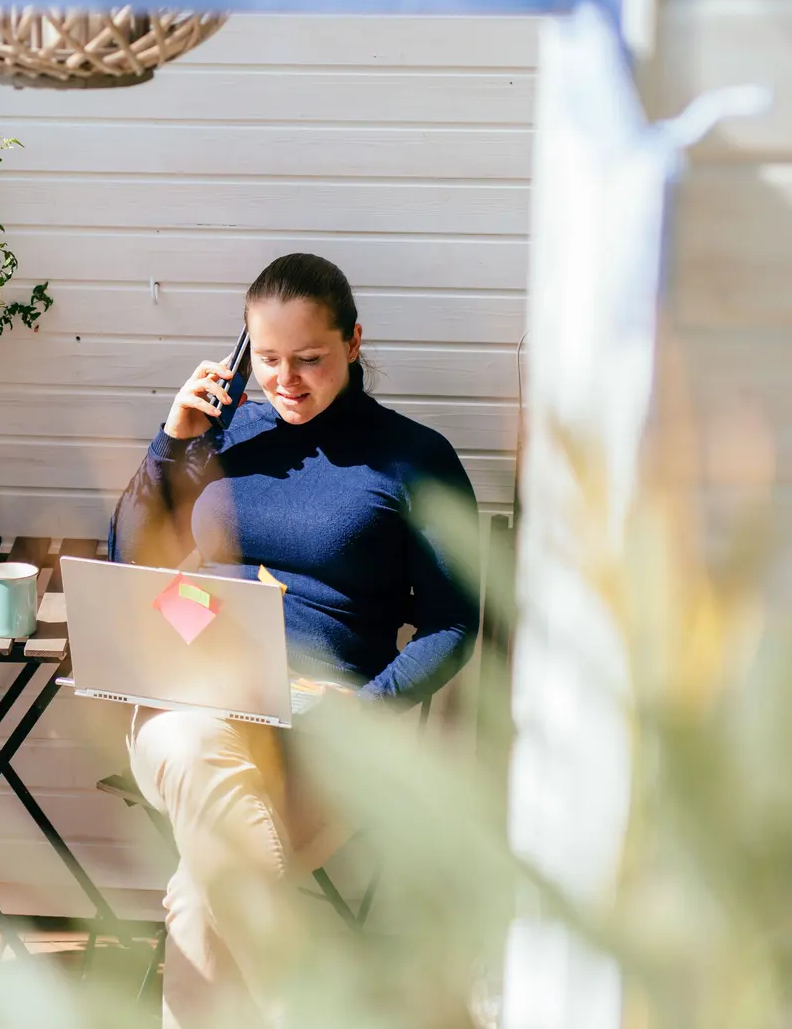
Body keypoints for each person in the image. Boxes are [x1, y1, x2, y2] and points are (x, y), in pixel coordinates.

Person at [111, 252, 480, 1027]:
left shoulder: (415, 460)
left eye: (309, 359)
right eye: (269, 360)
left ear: (353, 342)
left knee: (201, 896)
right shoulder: (225, 437)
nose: (287, 381)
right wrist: (171, 441)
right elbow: (129, 562)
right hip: (194, 701)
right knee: (191, 735)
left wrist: (368, 710)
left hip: (327, 733)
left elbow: (454, 622)